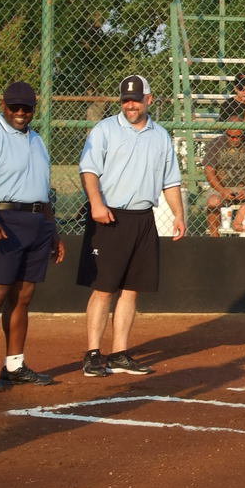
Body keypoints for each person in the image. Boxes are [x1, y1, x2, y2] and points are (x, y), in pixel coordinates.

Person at [77, 75, 184, 377]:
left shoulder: (160, 135)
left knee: (131, 289)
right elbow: (88, 170)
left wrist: (178, 214)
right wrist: (96, 204)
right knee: (103, 288)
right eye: (126, 99)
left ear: (149, 99)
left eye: (136, 99)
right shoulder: (105, 130)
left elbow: (171, 180)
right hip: (110, 216)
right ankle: (93, 354)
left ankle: (120, 353)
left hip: (143, 217)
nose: (131, 104)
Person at [0, 82, 64, 390]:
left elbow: (43, 191)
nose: (20, 113)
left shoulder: (37, 140)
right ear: (4, 105)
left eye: (26, 108)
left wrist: (52, 232)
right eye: (15, 108)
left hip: (36, 221)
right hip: (1, 219)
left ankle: (14, 364)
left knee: (23, 297)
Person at [203, 129, 245, 237]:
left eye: (238, 136)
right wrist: (222, 190)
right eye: (230, 136)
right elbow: (209, 171)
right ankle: (214, 238)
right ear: (226, 133)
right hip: (222, 186)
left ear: (243, 134)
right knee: (213, 201)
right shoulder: (216, 143)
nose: (234, 139)